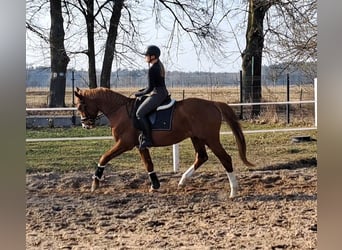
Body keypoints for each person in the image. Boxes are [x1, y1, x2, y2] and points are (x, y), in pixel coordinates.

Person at [135, 45, 169, 149]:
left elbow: (150, 89)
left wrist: (139, 94)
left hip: (157, 94)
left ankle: (148, 139)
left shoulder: (152, 69)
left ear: (153, 56)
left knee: (139, 113)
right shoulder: (158, 65)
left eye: (147, 55)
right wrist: (143, 90)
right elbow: (153, 85)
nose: (145, 57)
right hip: (162, 92)